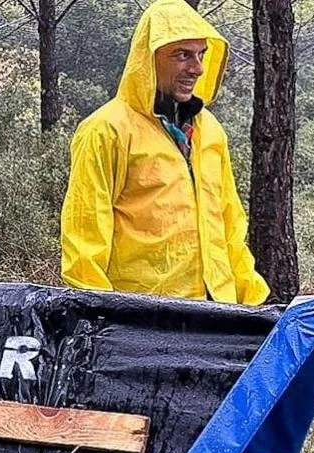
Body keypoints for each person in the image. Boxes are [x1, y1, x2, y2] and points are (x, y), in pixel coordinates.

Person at [58, 0, 270, 305]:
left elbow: (230, 228)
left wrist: (253, 303)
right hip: (144, 321)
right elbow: (83, 240)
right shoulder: (106, 130)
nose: (196, 68)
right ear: (149, 58)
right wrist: (104, 324)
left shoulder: (209, 130)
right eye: (182, 55)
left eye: (200, 55)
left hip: (217, 314)